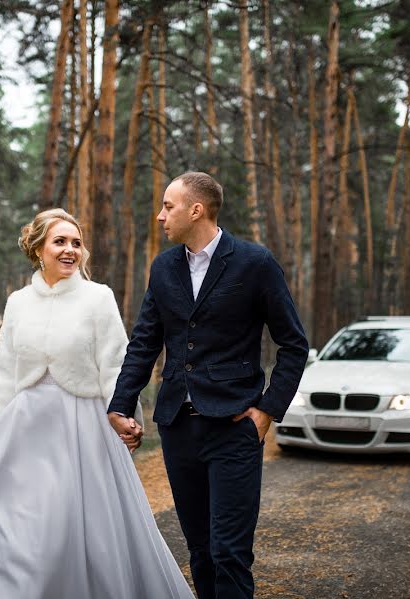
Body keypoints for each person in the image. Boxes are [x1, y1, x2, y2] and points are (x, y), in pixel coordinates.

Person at [0, 208, 194, 599]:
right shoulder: (18, 303)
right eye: (60, 242)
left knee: (78, 532)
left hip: (83, 432)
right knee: (29, 534)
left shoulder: (97, 298)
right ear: (38, 249)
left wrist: (125, 417)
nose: (70, 250)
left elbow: (115, 366)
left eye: (76, 243)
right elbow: (3, 375)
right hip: (25, 435)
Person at [107, 172, 310, 599]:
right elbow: (145, 341)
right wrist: (120, 404)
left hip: (234, 426)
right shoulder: (163, 267)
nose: (160, 215)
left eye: (168, 206)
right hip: (179, 427)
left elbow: (293, 344)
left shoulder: (255, 263)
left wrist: (266, 411)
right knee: (199, 550)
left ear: (196, 210)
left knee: (229, 553)